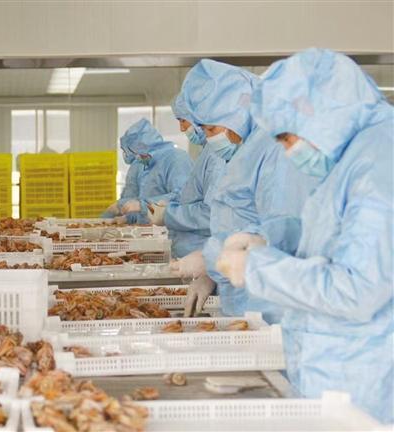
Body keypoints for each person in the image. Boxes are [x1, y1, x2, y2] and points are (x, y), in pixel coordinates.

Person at [215, 49, 393, 423]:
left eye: (287, 137)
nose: (286, 151)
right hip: (341, 372)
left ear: (321, 115)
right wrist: (269, 240)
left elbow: (358, 289)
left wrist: (257, 268)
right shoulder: (356, 155)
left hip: (364, 383)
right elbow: (332, 236)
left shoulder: (378, 166)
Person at [172, 59, 317, 322]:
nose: (209, 138)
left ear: (236, 114)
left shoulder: (274, 151)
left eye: (212, 128)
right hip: (242, 297)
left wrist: (211, 258)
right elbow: (239, 221)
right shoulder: (246, 151)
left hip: (269, 307)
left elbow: (282, 233)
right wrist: (212, 274)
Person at [148, 94, 226, 259]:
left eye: (183, 120)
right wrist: (170, 203)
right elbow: (193, 194)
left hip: (202, 255)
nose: (182, 128)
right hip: (191, 254)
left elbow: (211, 215)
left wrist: (168, 214)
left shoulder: (217, 156)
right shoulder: (207, 152)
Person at [113, 119, 193, 226]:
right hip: (152, 231)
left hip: (174, 230)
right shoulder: (145, 164)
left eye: (140, 154)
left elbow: (183, 197)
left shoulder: (177, 159)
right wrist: (128, 218)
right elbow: (146, 213)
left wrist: (142, 205)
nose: (138, 158)